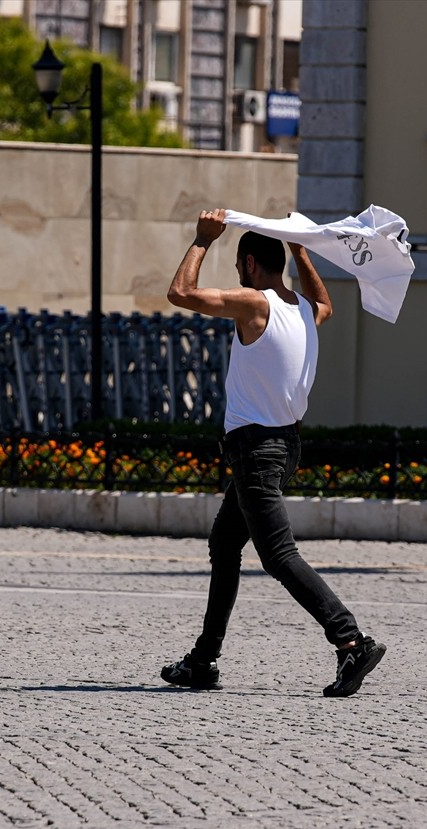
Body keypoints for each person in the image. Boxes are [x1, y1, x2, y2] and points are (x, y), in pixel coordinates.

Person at [160, 208, 386, 698]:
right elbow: (326, 306)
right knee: (225, 546)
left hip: (256, 452)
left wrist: (202, 239)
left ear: (248, 264)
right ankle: (203, 660)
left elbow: (180, 293)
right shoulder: (303, 310)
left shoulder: (254, 303)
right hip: (283, 448)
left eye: (239, 265)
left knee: (279, 555)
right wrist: (300, 248)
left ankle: (350, 641)